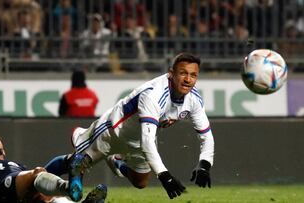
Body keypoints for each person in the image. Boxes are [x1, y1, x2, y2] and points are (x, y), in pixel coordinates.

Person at [67, 52, 215, 200]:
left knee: (140, 182)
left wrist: (205, 164)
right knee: (75, 163)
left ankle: (116, 161)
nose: (188, 80)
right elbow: (148, 141)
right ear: (171, 73)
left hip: (139, 139)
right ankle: (52, 177)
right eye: (183, 73)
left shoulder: (194, 99)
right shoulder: (154, 95)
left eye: (193, 75)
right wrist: (165, 176)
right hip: (114, 130)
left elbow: (206, 135)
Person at [0, 127, 107, 203]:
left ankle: (72, 180)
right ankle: (69, 187)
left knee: (41, 193)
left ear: (4, 150)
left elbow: (40, 180)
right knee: (37, 175)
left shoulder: (16, 165)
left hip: (17, 194)